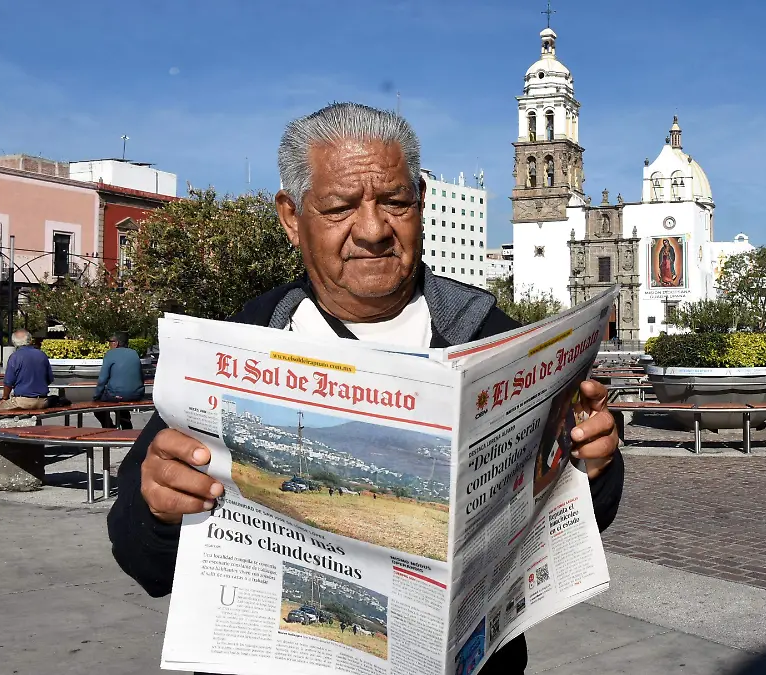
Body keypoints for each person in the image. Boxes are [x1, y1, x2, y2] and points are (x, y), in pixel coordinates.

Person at [106, 103, 624, 675]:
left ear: (421, 202)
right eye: (340, 207)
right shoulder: (238, 347)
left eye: (395, 203)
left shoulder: (489, 335)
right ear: (290, 216)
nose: (374, 230)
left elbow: (568, 520)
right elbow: (141, 557)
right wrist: (158, 506)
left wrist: (593, 465)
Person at [93, 331, 146, 430]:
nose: (109, 344)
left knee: (98, 407)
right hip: (137, 395)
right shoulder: (134, 353)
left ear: (116, 343)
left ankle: (110, 429)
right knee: (120, 402)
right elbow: (141, 376)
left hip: (117, 395)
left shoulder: (110, 354)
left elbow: (102, 379)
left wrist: (96, 396)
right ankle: (126, 426)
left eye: (110, 341)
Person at [0, 329, 53, 411]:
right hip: (42, 401)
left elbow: (8, 383)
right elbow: (49, 379)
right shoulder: (42, 355)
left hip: (22, 401)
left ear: (14, 342)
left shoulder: (15, 357)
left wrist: (4, 398)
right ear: (30, 340)